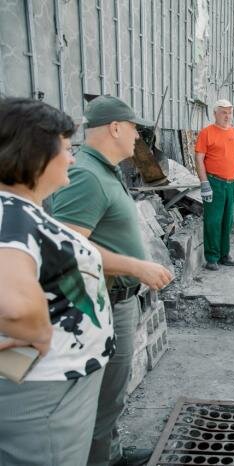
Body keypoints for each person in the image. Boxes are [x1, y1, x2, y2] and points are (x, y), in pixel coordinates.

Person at [50, 95, 173, 466]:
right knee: (99, 400)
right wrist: (137, 268)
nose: (138, 135)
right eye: (134, 127)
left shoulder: (104, 169)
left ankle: (111, 454)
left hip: (118, 299)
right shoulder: (86, 174)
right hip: (101, 302)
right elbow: (68, 248)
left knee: (110, 396)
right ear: (115, 127)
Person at [0, 98, 114, 465]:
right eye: (66, 149)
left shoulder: (19, 208)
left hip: (55, 385)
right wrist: (36, 328)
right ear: (35, 153)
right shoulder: (10, 214)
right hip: (45, 392)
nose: (73, 158)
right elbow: (15, 307)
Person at [194, 99, 234, 270]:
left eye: (230, 112)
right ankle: (211, 257)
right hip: (214, 183)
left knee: (228, 220)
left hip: (232, 183)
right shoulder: (207, 133)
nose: (227, 116)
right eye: (224, 112)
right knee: (213, 220)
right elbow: (199, 158)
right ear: (215, 113)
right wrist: (204, 183)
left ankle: (224, 254)